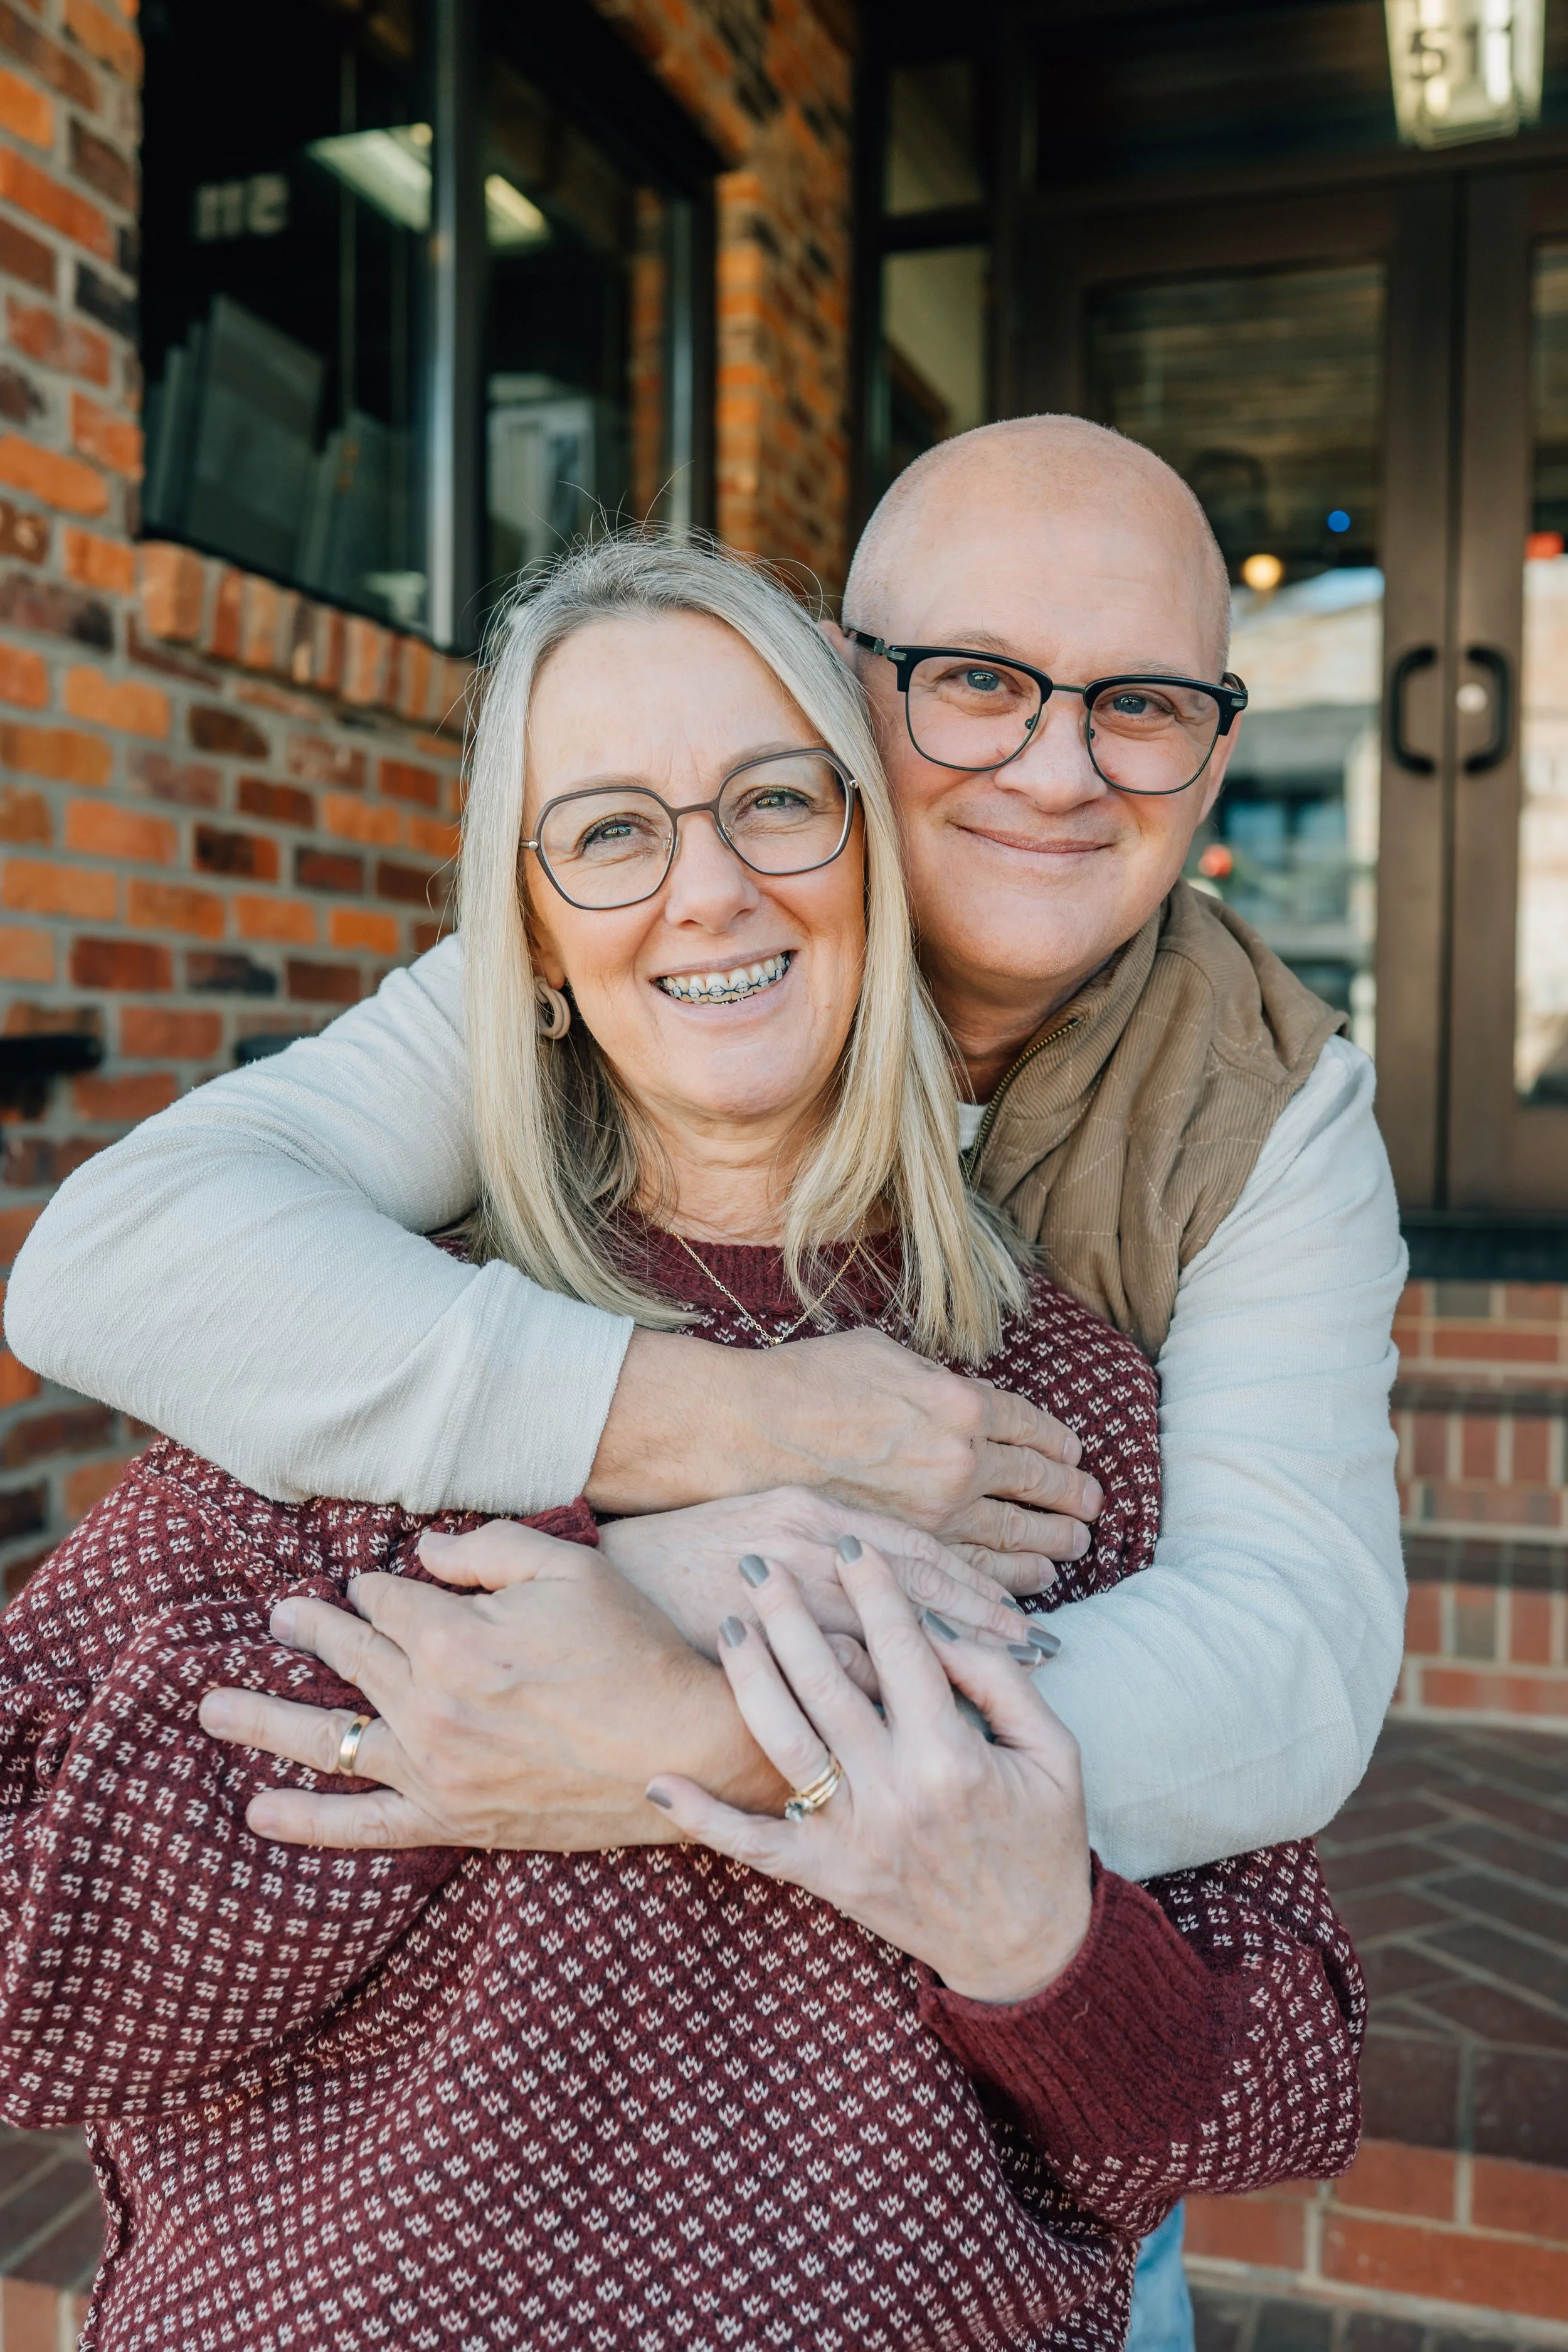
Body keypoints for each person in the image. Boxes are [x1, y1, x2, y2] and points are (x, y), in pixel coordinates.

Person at [0, 539, 1363, 2351]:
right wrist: (580, 1584)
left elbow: (1267, 2088)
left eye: (774, 802)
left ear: (879, 863)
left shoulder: (1049, 1423)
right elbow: (35, 1983)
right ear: (533, 939)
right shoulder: (345, 1353)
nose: (706, 887)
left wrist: (1029, 1941)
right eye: (614, 831)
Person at [5, 416, 1407, 1891]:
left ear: (1215, 746)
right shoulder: (642, 944)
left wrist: (717, 1738)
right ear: (837, 677)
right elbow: (121, 1260)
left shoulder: (1273, 1106)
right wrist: (719, 1425)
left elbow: (1289, 1652)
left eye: (1141, 702)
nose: (1056, 772)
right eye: (978, 682)